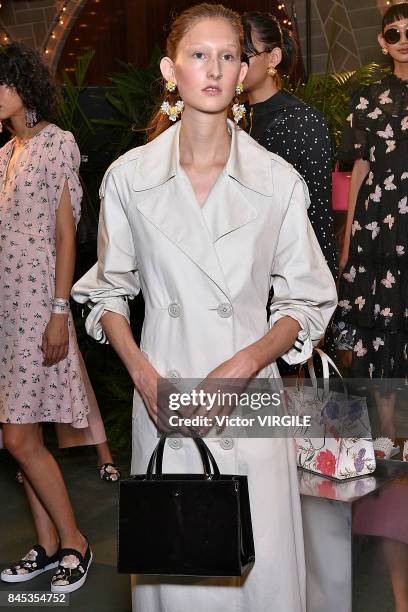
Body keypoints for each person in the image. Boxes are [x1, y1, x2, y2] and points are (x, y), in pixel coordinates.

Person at [72, 3, 337, 611]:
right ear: (172, 70)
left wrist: (243, 365)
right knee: (180, 576)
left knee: (260, 573)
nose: (213, 69)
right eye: (198, 55)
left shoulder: (276, 180)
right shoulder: (129, 178)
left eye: (227, 56)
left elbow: (308, 298)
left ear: (244, 70)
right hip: (165, 394)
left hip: (252, 400)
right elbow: (109, 291)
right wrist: (144, 377)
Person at [0, 42, 92, 592]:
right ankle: (47, 546)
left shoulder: (57, 143)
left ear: (20, 86)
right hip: (6, 313)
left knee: (19, 438)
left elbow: (65, 236)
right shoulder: (0, 155)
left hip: (39, 307)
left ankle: (76, 540)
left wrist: (60, 312)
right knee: (22, 433)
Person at [334, 2, 408, 444]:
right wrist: (347, 242)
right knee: (381, 326)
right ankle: (387, 435)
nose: (403, 40)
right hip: (378, 227)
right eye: (394, 33)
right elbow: (358, 171)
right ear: (382, 42)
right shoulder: (365, 99)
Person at [241, 11, 338, 280]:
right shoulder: (227, 119)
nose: (234, 65)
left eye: (243, 55)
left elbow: (317, 214)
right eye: (228, 56)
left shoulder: (302, 120)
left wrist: (321, 291)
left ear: (273, 58)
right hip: (238, 269)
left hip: (286, 272)